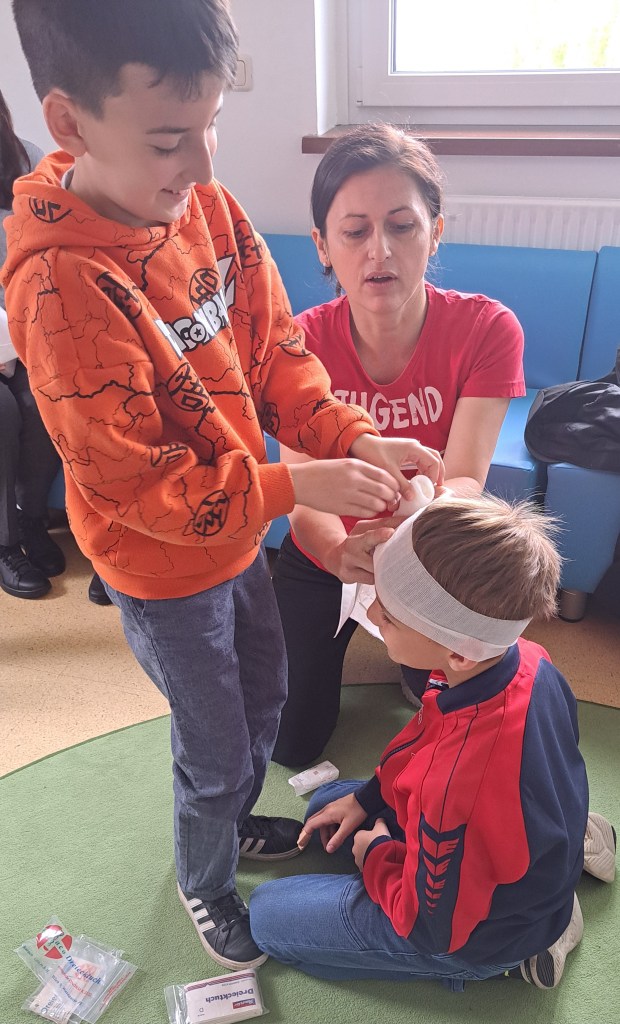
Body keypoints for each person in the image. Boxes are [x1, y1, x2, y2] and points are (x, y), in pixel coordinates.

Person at [2, 0, 443, 971]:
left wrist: (356, 438)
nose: (202, 164)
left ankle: (231, 819)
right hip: (162, 572)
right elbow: (140, 489)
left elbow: (278, 355)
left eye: (212, 124)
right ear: (70, 122)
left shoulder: (204, 206)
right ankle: (204, 881)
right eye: (169, 139)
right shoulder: (58, 287)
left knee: (265, 702)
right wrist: (296, 485)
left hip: (238, 535)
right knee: (212, 747)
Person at [251, 495, 616, 989]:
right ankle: (559, 866)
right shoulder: (523, 657)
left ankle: (531, 940)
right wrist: (368, 799)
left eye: (390, 616)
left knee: (266, 917)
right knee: (329, 804)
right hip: (504, 834)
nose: (371, 611)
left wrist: (378, 857)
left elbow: (430, 927)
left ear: (459, 653)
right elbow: (427, 736)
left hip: (473, 935)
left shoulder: (455, 788)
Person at [271, 124, 526, 768]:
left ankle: (404, 654)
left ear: (435, 231)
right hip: (327, 548)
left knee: (453, 711)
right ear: (323, 246)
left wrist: (405, 539)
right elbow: (304, 495)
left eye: (402, 226)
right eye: (354, 232)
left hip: (431, 546)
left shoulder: (487, 328)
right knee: (291, 742)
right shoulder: (299, 343)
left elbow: (464, 479)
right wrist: (339, 553)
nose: (379, 251)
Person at [0, 88, 65, 599]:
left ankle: (32, 520)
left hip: (23, 328)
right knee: (2, 413)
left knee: (45, 400)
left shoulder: (29, 161)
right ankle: (5, 543)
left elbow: (48, 259)